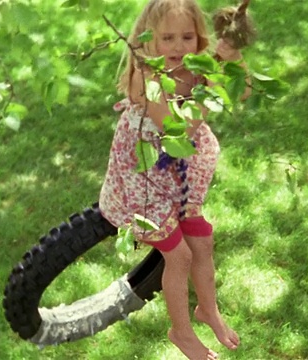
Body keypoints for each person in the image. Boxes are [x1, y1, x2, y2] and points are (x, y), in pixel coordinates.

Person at [99, 0, 248, 359]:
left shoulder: (196, 63)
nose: (179, 47)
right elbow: (174, 128)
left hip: (178, 172)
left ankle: (207, 310)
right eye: (167, 38)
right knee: (178, 256)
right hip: (144, 177)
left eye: (188, 37)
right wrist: (209, 95)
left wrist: (231, 59)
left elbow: (240, 91)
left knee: (203, 241)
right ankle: (181, 333)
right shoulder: (145, 75)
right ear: (147, 40)